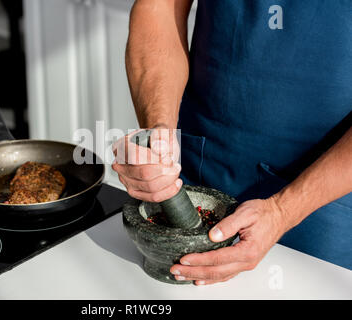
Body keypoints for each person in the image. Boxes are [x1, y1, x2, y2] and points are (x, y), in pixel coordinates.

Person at [112, 0, 352, 285]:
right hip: (200, 159)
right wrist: (159, 128)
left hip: (325, 197)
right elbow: (160, 7)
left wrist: (283, 210)